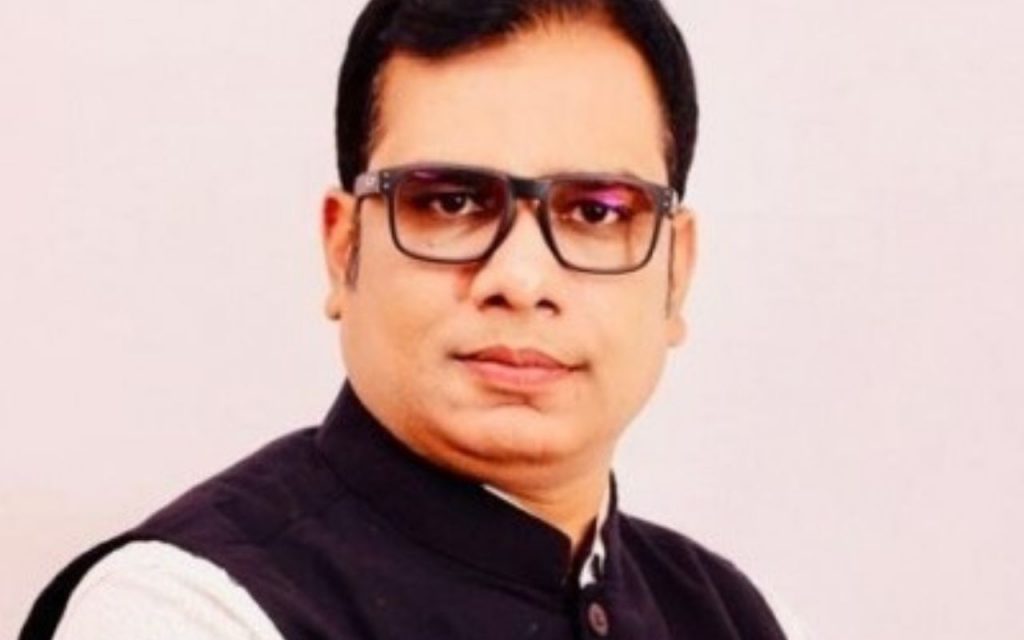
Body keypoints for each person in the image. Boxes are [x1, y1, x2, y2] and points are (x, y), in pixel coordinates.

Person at [21, 1, 801, 638]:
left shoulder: (731, 616)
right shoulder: (190, 612)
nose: (521, 280)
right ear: (343, 249)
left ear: (676, 273)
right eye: (451, 203)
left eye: (596, 211)